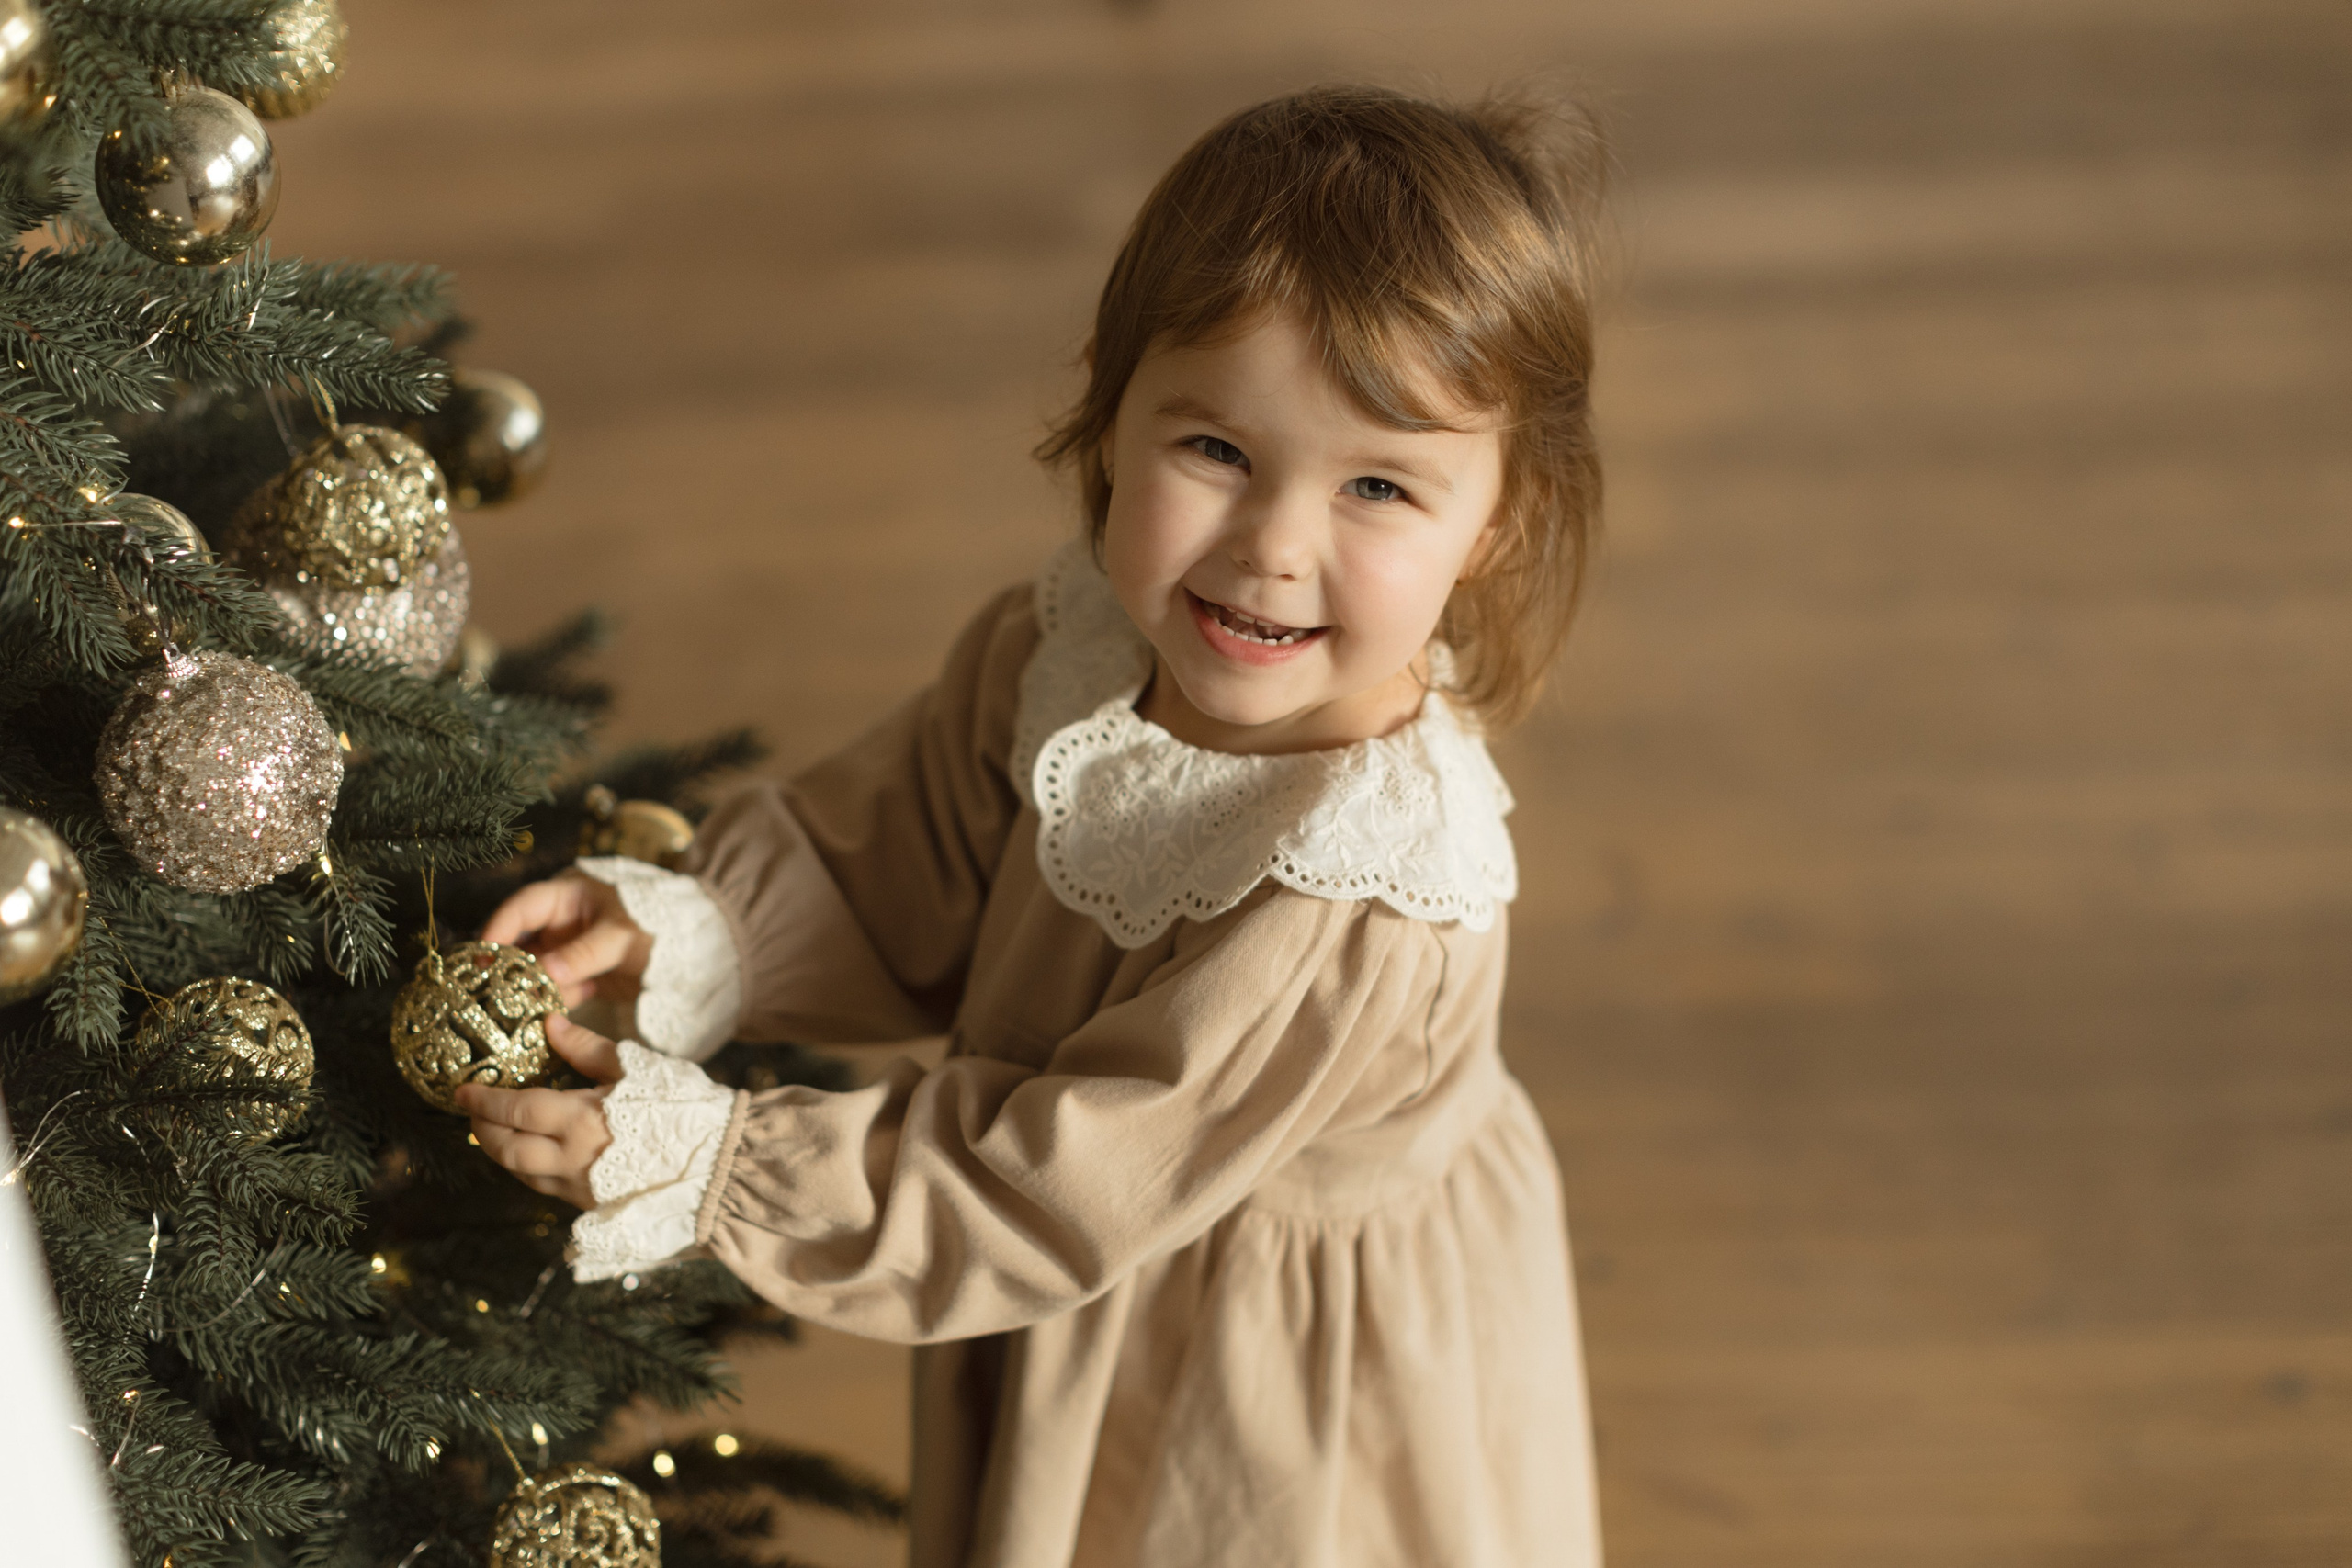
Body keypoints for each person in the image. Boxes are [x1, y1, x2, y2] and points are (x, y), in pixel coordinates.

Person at [461, 83, 1609, 1568]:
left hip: (1264, 1375)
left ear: (1497, 523)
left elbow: (1056, 1180)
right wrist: (690, 930)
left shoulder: (1361, 888)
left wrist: (714, 1163)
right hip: (1063, 1265)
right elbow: (903, 857)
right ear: (1114, 406)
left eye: (1379, 485)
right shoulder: (1070, 652)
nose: (1271, 549)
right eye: (1216, 451)